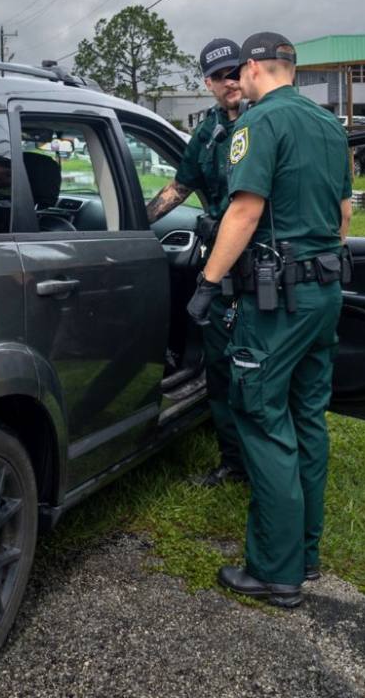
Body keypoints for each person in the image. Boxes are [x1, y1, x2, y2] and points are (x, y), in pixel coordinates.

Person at [187, 32, 353, 607]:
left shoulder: (257, 124)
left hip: (275, 302)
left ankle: (274, 571)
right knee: (308, 417)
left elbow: (245, 208)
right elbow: (343, 213)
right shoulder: (331, 126)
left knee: (260, 416)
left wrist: (208, 283)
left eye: (242, 70)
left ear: (256, 67)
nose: (239, 79)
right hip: (325, 292)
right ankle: (305, 554)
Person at [146, 38, 248, 487]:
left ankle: (268, 460)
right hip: (221, 266)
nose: (232, 82)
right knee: (220, 366)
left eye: (237, 72)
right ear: (207, 83)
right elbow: (179, 186)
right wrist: (134, 221)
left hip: (263, 261)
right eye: (222, 76)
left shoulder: (266, 121)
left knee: (259, 370)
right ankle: (233, 461)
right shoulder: (207, 133)